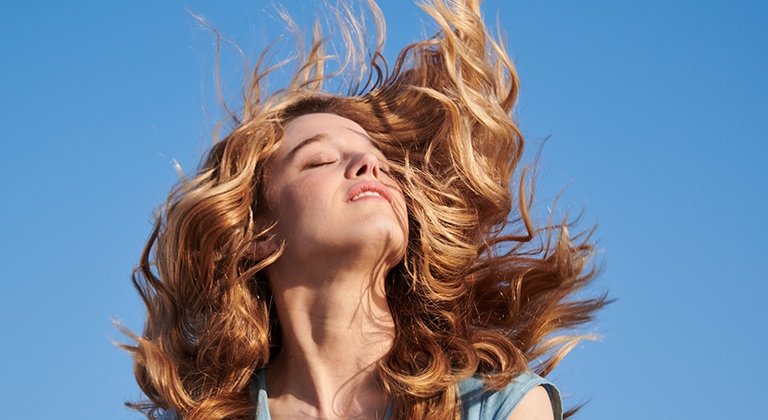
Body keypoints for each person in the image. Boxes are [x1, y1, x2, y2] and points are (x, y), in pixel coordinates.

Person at [122, 0, 607, 418]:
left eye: (380, 161)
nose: (367, 165)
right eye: (320, 159)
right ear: (257, 232)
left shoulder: (497, 405)